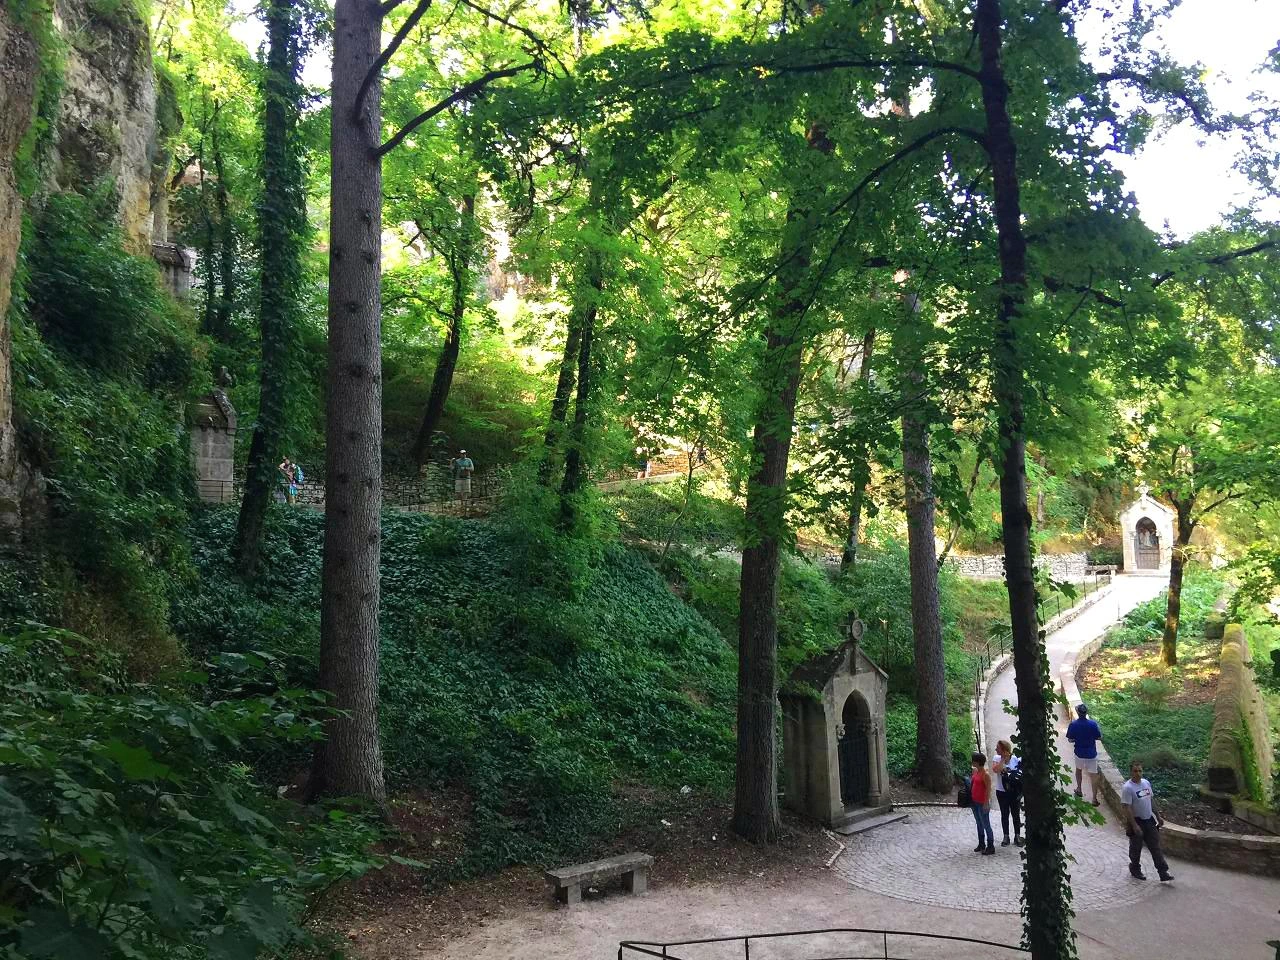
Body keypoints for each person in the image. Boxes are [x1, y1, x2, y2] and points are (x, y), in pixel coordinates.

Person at [1122, 760, 1173, 881]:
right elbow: (1127, 808)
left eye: (1140, 771)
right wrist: (1134, 825)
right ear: (1131, 772)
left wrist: (1158, 816)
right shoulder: (1128, 788)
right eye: (1135, 771)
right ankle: (1135, 868)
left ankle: (1163, 872)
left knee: (1155, 847)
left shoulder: (1146, 783)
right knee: (1136, 848)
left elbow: (1151, 800)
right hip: (1137, 821)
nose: (1138, 773)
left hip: (1149, 821)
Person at [1065, 703, 1103, 806]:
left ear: (1077, 712)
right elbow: (1099, 737)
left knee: (1078, 770)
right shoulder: (1093, 724)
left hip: (1079, 753)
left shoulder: (1073, 724)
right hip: (1091, 754)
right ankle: (1094, 799)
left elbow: (1070, 739)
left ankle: (1079, 789)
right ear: (1086, 713)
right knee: (1093, 775)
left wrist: (1077, 739)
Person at [991, 739, 1023, 847]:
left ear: (1004, 749)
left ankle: (1017, 835)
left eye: (998, 748)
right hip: (1001, 791)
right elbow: (996, 770)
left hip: (1014, 792)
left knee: (1015, 814)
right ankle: (1006, 836)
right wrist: (1003, 759)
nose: (996, 749)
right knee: (1004, 814)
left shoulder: (1015, 759)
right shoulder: (996, 758)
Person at [969, 751, 995, 855]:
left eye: (973, 761)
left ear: (978, 762)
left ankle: (991, 846)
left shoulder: (985, 775)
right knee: (979, 823)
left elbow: (988, 790)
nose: (972, 762)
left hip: (981, 803)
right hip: (974, 802)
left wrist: (986, 803)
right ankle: (981, 843)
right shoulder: (976, 772)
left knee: (986, 824)